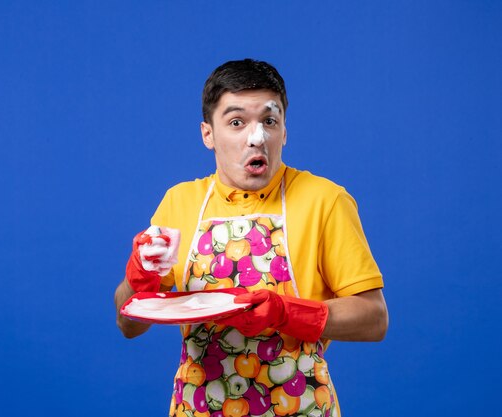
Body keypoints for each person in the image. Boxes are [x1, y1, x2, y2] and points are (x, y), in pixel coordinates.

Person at [114, 59, 389, 417]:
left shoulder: (325, 200)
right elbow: (128, 324)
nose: (256, 137)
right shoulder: (179, 202)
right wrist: (140, 275)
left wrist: (285, 312)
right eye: (237, 122)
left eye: (269, 121)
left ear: (284, 131)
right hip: (198, 407)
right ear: (207, 134)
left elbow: (374, 318)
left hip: (299, 404)